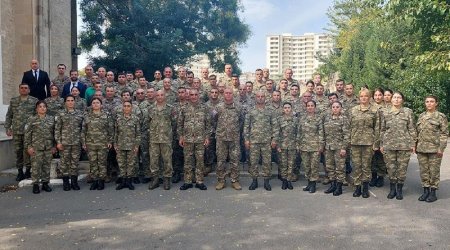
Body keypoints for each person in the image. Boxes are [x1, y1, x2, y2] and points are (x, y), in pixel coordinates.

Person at [380, 91, 416, 200]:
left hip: (404, 146)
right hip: (389, 145)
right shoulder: (385, 112)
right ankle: (392, 189)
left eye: (399, 97)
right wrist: (381, 144)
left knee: (402, 169)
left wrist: (413, 144)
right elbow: (382, 129)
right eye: (394, 97)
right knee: (391, 168)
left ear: (402, 100)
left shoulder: (408, 112)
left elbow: (411, 129)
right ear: (391, 99)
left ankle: (399, 189)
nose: (396, 99)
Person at [416, 95, 449, 202]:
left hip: (435, 149)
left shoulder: (441, 116)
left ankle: (433, 192)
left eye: (431, 101)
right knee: (423, 171)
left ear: (436, 103)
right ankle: (426, 191)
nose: (429, 103)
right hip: (421, 149)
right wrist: (415, 146)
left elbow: (444, 134)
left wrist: (441, 148)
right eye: (427, 101)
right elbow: (418, 132)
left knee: (434, 171)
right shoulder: (421, 116)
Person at [348, 89, 380, 198]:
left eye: (366, 96)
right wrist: (348, 142)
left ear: (370, 97)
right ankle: (357, 187)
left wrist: (376, 144)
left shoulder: (375, 111)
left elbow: (377, 128)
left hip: (368, 143)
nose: (363, 98)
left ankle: (365, 187)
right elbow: (349, 127)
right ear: (359, 97)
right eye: (361, 96)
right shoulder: (353, 110)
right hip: (355, 142)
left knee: (366, 166)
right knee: (357, 165)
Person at [177, 89, 211, 190]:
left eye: (196, 94)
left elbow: (208, 124)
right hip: (187, 139)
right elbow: (180, 124)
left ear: (198, 95)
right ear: (189, 96)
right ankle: (187, 181)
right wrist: (181, 137)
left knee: (200, 161)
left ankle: (199, 181)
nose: (194, 96)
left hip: (200, 139)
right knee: (188, 161)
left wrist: (207, 137)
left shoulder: (204, 108)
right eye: (192, 94)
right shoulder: (184, 108)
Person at [244, 91, 278, 191]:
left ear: (265, 98)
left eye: (262, 96)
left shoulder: (270, 111)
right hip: (253, 141)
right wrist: (246, 140)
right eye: (258, 96)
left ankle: (266, 181)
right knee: (253, 162)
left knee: (267, 162)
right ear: (255, 98)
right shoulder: (251, 111)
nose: (260, 98)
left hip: (267, 141)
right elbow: (246, 126)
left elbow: (275, 126)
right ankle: (254, 181)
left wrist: (274, 139)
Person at [4, 83, 38, 181]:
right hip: (17, 131)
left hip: (29, 131)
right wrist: (7, 128)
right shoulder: (14, 101)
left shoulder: (34, 100)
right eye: (21, 88)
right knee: (18, 152)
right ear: (19, 89)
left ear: (29, 90)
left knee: (28, 152)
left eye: (25, 88)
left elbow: (37, 115)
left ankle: (28, 171)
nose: (23, 90)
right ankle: (19, 172)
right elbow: (9, 115)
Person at [81, 97, 113, 190]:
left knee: (102, 163)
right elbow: (83, 130)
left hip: (103, 143)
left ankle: (101, 181)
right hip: (90, 143)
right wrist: (83, 142)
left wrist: (110, 141)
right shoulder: (87, 116)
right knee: (93, 162)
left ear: (101, 105)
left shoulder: (106, 115)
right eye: (94, 103)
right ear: (91, 105)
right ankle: (95, 180)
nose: (95, 104)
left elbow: (110, 129)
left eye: (97, 103)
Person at [214, 88, 243, 190]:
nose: (228, 95)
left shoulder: (238, 107)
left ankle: (235, 180)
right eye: (226, 93)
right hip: (221, 138)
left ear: (233, 95)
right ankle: (221, 180)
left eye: (230, 93)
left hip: (234, 138)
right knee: (221, 160)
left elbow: (241, 120)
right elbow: (214, 120)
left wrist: (235, 130)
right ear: (223, 95)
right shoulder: (218, 107)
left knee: (235, 160)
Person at [24, 100, 56, 194]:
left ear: (46, 108)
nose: (42, 108)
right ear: (37, 108)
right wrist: (29, 147)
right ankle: (36, 184)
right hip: (36, 147)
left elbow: (54, 134)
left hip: (48, 147)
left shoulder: (51, 119)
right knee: (36, 167)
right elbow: (27, 134)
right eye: (40, 106)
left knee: (46, 166)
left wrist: (54, 146)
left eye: (44, 106)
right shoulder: (32, 119)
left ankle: (45, 183)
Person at [147, 91, 175, 190]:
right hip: (154, 139)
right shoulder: (150, 109)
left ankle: (167, 179)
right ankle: (155, 179)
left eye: (162, 95)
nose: (160, 97)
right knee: (154, 160)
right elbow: (147, 122)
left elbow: (174, 123)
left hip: (166, 139)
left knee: (167, 160)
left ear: (165, 96)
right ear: (155, 96)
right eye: (158, 95)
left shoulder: (170, 108)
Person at [55, 95, 84, 191]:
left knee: (74, 163)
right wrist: (58, 142)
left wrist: (82, 141)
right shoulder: (61, 113)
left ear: (74, 102)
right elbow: (57, 129)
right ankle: (66, 182)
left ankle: (74, 182)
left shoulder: (80, 114)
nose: (70, 102)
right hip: (64, 143)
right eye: (68, 100)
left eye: (72, 100)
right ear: (65, 102)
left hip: (76, 142)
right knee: (64, 163)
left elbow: (83, 129)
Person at [322, 101, 349, 196]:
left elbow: (346, 135)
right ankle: (333, 185)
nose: (335, 109)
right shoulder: (327, 118)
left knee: (340, 168)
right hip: (329, 147)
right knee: (330, 167)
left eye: (337, 107)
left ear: (341, 108)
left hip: (339, 147)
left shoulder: (344, 119)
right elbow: (324, 133)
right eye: (333, 107)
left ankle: (339, 187)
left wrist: (344, 148)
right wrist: (323, 145)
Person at [298, 100, 324, 193]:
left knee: (314, 166)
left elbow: (321, 132)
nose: (310, 107)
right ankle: (309, 182)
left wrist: (321, 145)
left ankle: (313, 184)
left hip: (315, 146)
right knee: (307, 166)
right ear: (306, 107)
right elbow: (299, 132)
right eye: (308, 105)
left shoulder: (318, 118)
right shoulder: (302, 118)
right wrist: (298, 144)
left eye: (312, 105)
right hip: (304, 146)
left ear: (315, 107)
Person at [114, 100, 141, 190]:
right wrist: (115, 144)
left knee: (130, 164)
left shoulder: (135, 119)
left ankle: (129, 182)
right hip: (120, 145)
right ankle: (123, 181)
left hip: (131, 145)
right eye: (124, 106)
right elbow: (116, 133)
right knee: (121, 164)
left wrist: (137, 145)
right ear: (122, 107)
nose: (126, 108)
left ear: (131, 108)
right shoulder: (118, 119)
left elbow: (138, 134)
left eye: (128, 106)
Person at [276, 102, 298, 190]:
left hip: (292, 145)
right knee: (283, 164)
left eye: (289, 107)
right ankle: (284, 180)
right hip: (282, 145)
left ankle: (289, 180)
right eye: (285, 108)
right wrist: (277, 145)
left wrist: (297, 144)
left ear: (291, 109)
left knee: (291, 163)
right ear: (283, 109)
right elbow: (277, 132)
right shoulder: (279, 119)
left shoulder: (296, 119)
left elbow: (298, 132)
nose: (287, 109)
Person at [370, 88, 386, 187]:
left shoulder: (388, 107)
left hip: (383, 136)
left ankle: (381, 177)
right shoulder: (370, 107)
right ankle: (373, 176)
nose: (377, 97)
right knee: (372, 158)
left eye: (380, 95)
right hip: (371, 136)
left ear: (383, 96)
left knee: (381, 158)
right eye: (375, 95)